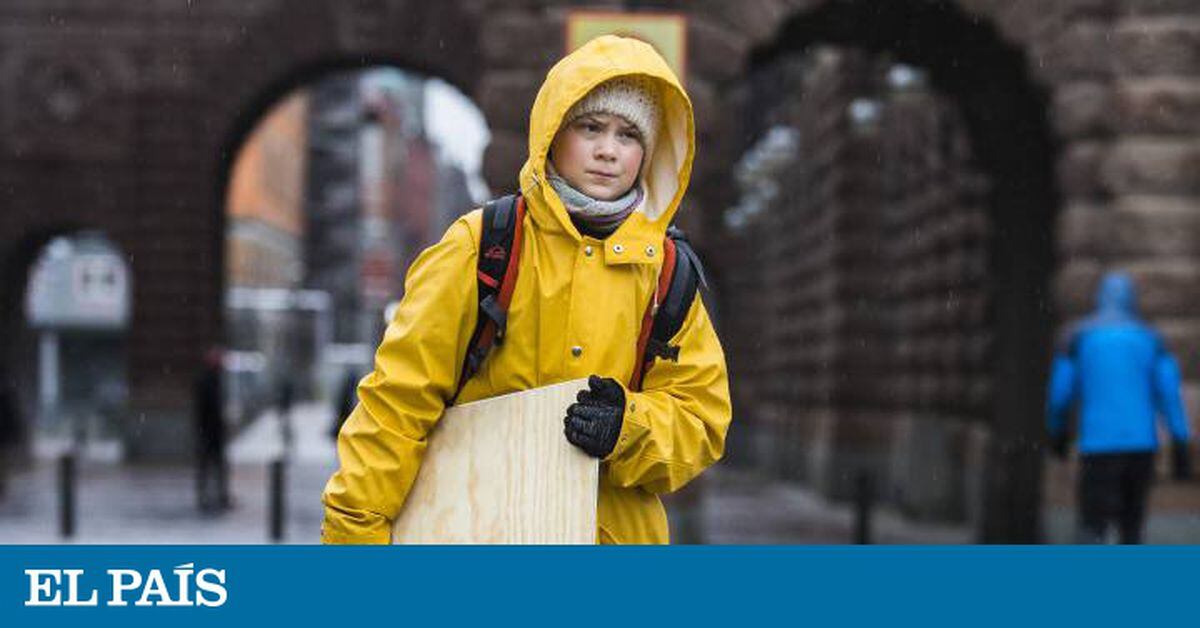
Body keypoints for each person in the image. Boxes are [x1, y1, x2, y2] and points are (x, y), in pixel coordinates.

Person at [322, 35, 732, 544]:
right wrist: (353, 540)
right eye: (591, 127)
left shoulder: (667, 273)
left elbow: (702, 420)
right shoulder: (482, 246)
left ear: (648, 152)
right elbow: (397, 406)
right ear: (554, 133)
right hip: (482, 537)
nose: (608, 150)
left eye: (629, 134)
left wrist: (628, 429)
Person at [1046, 271, 1192, 544]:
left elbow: (1060, 393)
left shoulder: (1078, 338)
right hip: (1140, 447)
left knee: (1092, 526)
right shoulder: (1151, 339)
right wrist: (1180, 442)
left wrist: (1057, 432)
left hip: (1097, 447)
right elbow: (1169, 394)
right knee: (1132, 528)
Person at [194, 346, 231, 513]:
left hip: (214, 430)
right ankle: (207, 497)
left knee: (217, 466)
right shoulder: (206, 380)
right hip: (209, 430)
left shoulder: (215, 378)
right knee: (208, 466)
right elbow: (205, 407)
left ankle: (219, 496)